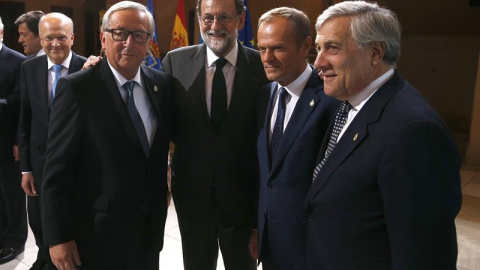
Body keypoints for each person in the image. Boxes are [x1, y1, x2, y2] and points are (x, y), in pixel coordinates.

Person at [305, 1, 462, 269]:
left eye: (332, 48)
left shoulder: (412, 130)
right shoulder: (348, 102)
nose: (318, 62)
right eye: (319, 49)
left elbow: (423, 254)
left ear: (375, 52)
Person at [41, 1, 174, 269]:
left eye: (139, 35)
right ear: (103, 38)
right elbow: (57, 172)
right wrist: (58, 238)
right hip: (96, 235)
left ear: (149, 42)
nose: (129, 42)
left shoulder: (162, 85)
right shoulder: (78, 88)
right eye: (119, 33)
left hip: (148, 233)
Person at [161, 0, 268, 269]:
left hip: (243, 202)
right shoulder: (175, 62)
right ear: (198, 20)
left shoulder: (264, 67)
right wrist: (94, 69)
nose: (215, 26)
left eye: (224, 17)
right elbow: (154, 111)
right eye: (207, 17)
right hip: (192, 198)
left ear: (241, 21)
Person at [254, 7, 339, 270]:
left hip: (310, 246)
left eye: (277, 48)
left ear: (305, 46)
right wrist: (257, 227)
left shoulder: (332, 100)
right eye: (262, 48)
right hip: (269, 241)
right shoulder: (264, 95)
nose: (267, 58)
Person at [18, 12, 86, 270]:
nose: (55, 44)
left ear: (72, 38)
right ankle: (45, 260)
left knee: (71, 220)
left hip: (77, 166)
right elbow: (25, 121)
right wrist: (25, 168)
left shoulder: (89, 68)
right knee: (39, 220)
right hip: (39, 164)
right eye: (49, 38)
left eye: (61, 38)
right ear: (40, 38)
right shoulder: (28, 68)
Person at [0, 15, 28, 265]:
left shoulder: (18, 61)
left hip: (8, 139)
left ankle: (16, 240)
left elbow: (21, 102)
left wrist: (20, 139)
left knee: (12, 194)